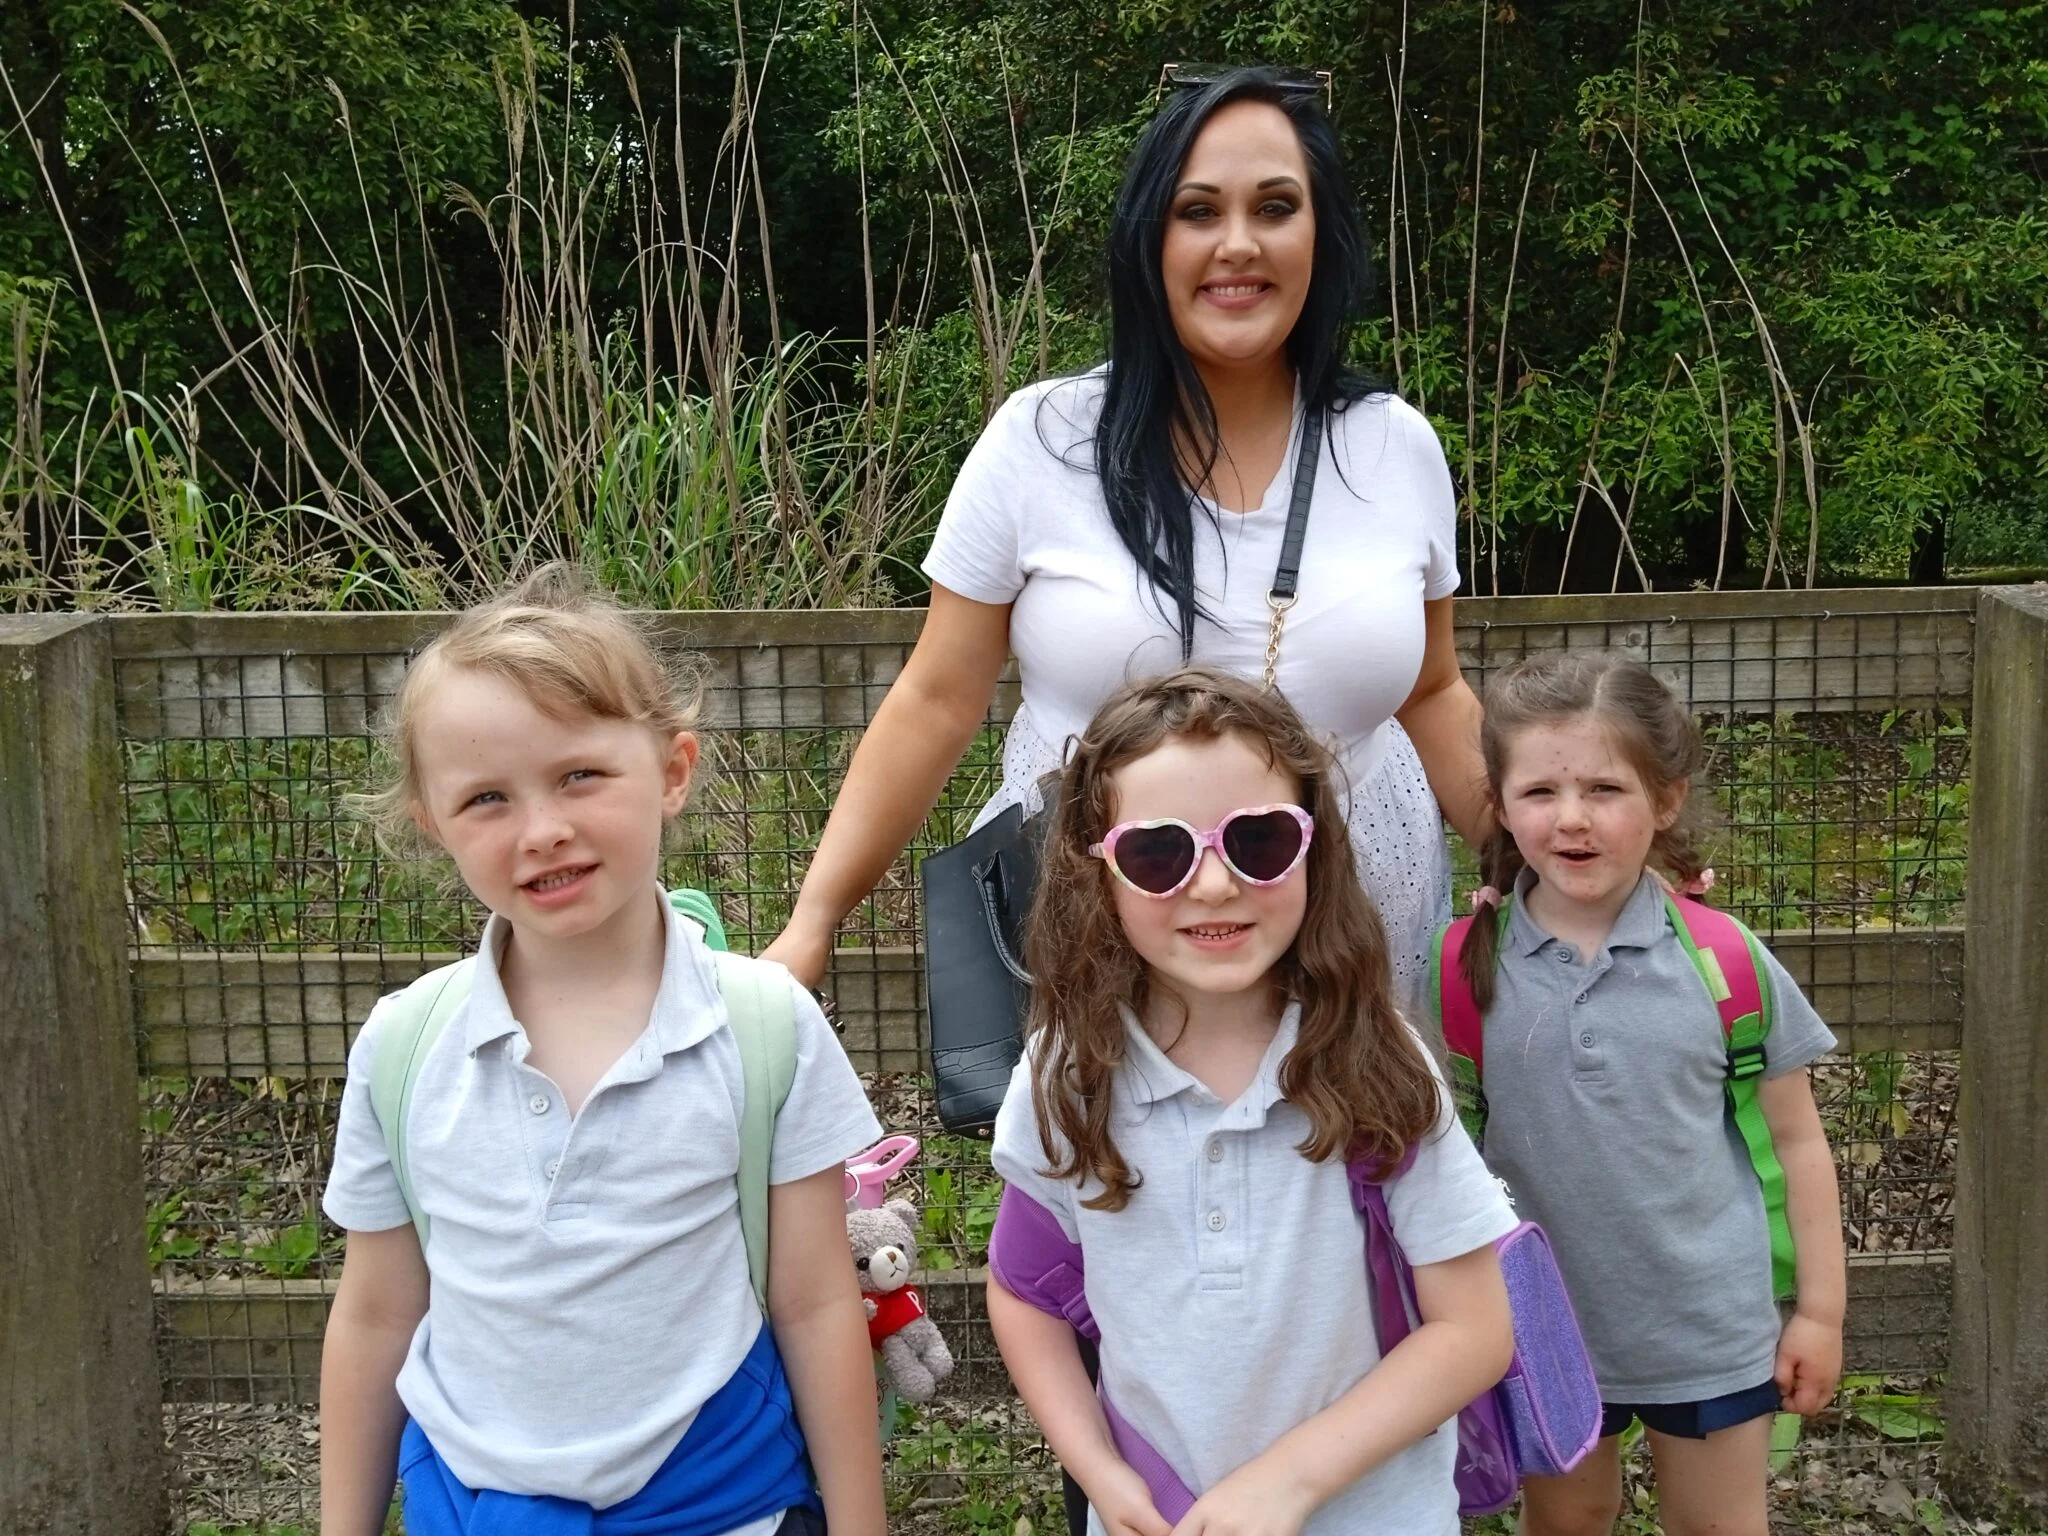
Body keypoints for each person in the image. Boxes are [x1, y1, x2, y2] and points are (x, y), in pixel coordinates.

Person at [763, 66, 1487, 1011]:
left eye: (1276, 207)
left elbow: (1433, 690)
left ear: (1323, 234)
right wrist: (814, 919)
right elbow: (937, 698)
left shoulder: (1395, 447)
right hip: (1096, 923)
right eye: (1198, 210)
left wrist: (1551, 863)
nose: (1238, 244)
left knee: (1350, 1112)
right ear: (1149, 239)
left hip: (1353, 927)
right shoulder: (1041, 440)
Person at [318, 568, 887, 1536]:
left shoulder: (766, 1028)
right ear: (433, 826)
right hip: (473, 1511)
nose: (543, 831)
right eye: (486, 798)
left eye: (579, 775)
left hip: (726, 1509)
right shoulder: (404, 1048)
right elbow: (375, 1316)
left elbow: (816, 1303)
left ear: (672, 771)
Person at [986, 668, 1519, 1536]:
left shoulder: (1377, 1061)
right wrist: (1102, 1474)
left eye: (1259, 841)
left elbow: (1475, 1328)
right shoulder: (1067, 1072)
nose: (1213, 885)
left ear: (1315, 849)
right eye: (1158, 854)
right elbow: (1024, 1292)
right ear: (1097, 869)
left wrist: (1289, 1484)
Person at [1449, 652, 1845, 1536]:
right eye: (1541, 791)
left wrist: (1820, 1313)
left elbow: (1796, 1142)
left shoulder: (1727, 963)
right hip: (1541, 1330)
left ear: (1666, 800)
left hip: (1710, 1330)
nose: (1572, 817)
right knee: (1568, 1521)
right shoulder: (1460, 970)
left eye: (1605, 789)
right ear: (1501, 806)